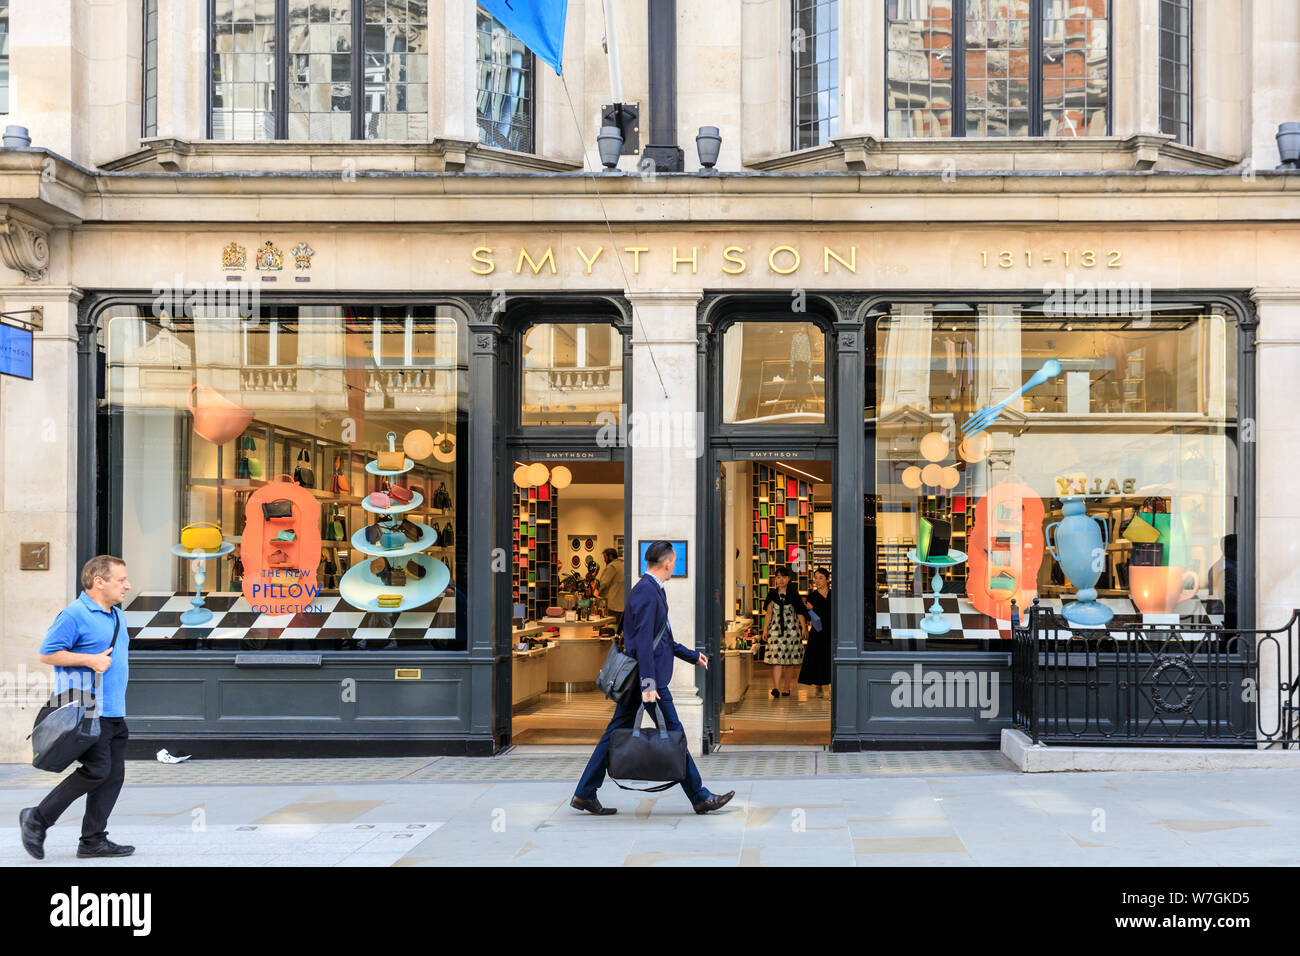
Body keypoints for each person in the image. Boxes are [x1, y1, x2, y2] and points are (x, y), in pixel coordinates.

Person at [572, 541, 735, 816]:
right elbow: (644, 642)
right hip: (649, 681)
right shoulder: (647, 592)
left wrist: (691, 656)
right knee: (674, 733)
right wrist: (648, 683)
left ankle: (585, 792)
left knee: (614, 733)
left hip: (642, 678)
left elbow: (663, 639)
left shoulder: (649, 590)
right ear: (668, 562)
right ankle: (699, 796)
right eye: (674, 561)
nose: (674, 566)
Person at [21, 555, 135, 860]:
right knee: (98, 770)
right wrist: (89, 659)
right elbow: (47, 654)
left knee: (112, 775)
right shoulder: (74, 614)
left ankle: (93, 840)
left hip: (113, 709)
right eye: (121, 579)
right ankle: (38, 817)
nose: (127, 585)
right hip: (85, 707)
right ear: (99, 582)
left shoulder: (117, 616)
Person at [762, 565, 809, 698]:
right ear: (775, 579)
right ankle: (776, 688)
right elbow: (769, 613)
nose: (780, 580)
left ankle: (786, 687)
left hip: (791, 630)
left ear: (788, 579)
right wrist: (765, 629)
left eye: (783, 577)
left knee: (789, 661)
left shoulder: (794, 594)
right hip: (775, 630)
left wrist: (804, 627)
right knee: (776, 660)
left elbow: (800, 612)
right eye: (778, 577)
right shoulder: (772, 594)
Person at [799, 567, 832, 697]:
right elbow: (808, 617)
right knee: (818, 658)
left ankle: (830, 687)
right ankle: (818, 686)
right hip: (818, 632)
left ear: (827, 579)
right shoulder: (812, 596)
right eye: (816, 578)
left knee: (829, 658)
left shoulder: (834, 594)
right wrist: (809, 610)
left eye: (821, 578)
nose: (817, 581)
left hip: (831, 631)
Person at [596, 547, 625, 631]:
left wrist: (596, 591)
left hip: (613, 606)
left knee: (609, 630)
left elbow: (603, 584)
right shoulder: (622, 565)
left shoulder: (611, 567)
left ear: (611, 556)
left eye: (605, 557)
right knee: (619, 630)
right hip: (623, 605)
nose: (604, 560)